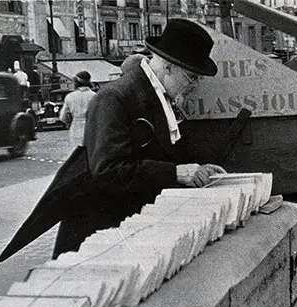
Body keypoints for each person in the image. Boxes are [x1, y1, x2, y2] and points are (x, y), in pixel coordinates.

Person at [52, 18, 226, 258]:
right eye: (191, 77)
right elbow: (108, 171)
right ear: (168, 67)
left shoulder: (157, 96)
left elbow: (158, 153)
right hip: (99, 238)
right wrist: (176, 173)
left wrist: (196, 169)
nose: (195, 85)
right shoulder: (114, 98)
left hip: (129, 231)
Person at [59, 71, 96, 151]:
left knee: (76, 152)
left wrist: (69, 122)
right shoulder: (95, 96)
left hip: (75, 126)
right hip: (91, 126)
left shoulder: (70, 96)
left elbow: (63, 117)